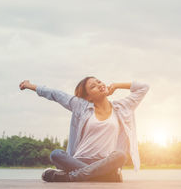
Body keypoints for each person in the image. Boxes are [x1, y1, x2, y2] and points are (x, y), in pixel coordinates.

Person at [19, 77, 150, 182]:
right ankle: (104, 177)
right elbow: (55, 94)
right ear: (88, 97)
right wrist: (30, 86)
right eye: (93, 86)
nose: (99, 85)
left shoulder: (122, 107)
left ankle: (70, 177)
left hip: (105, 162)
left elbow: (144, 87)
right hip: (78, 160)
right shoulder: (81, 106)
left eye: (99, 81)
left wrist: (116, 85)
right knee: (56, 154)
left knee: (120, 155)